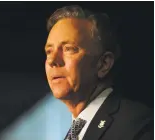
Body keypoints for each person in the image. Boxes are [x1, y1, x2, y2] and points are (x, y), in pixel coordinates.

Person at [44, 5, 153, 140]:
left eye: (69, 49)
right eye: (49, 51)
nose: (52, 61)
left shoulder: (138, 125)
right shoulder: (76, 131)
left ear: (104, 64)